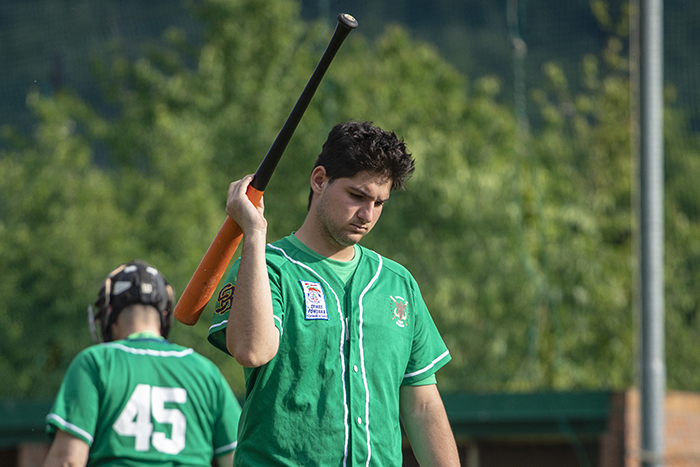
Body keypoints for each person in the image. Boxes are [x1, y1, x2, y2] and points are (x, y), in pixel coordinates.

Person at [208, 121, 460, 466]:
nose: (367, 215)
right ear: (319, 180)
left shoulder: (397, 282)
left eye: (379, 203)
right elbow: (251, 350)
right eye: (357, 196)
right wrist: (254, 234)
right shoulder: (267, 268)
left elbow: (423, 405)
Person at [43, 260, 242, 467]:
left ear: (109, 313)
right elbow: (236, 460)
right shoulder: (205, 371)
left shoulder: (95, 362)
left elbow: (68, 461)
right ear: (165, 315)